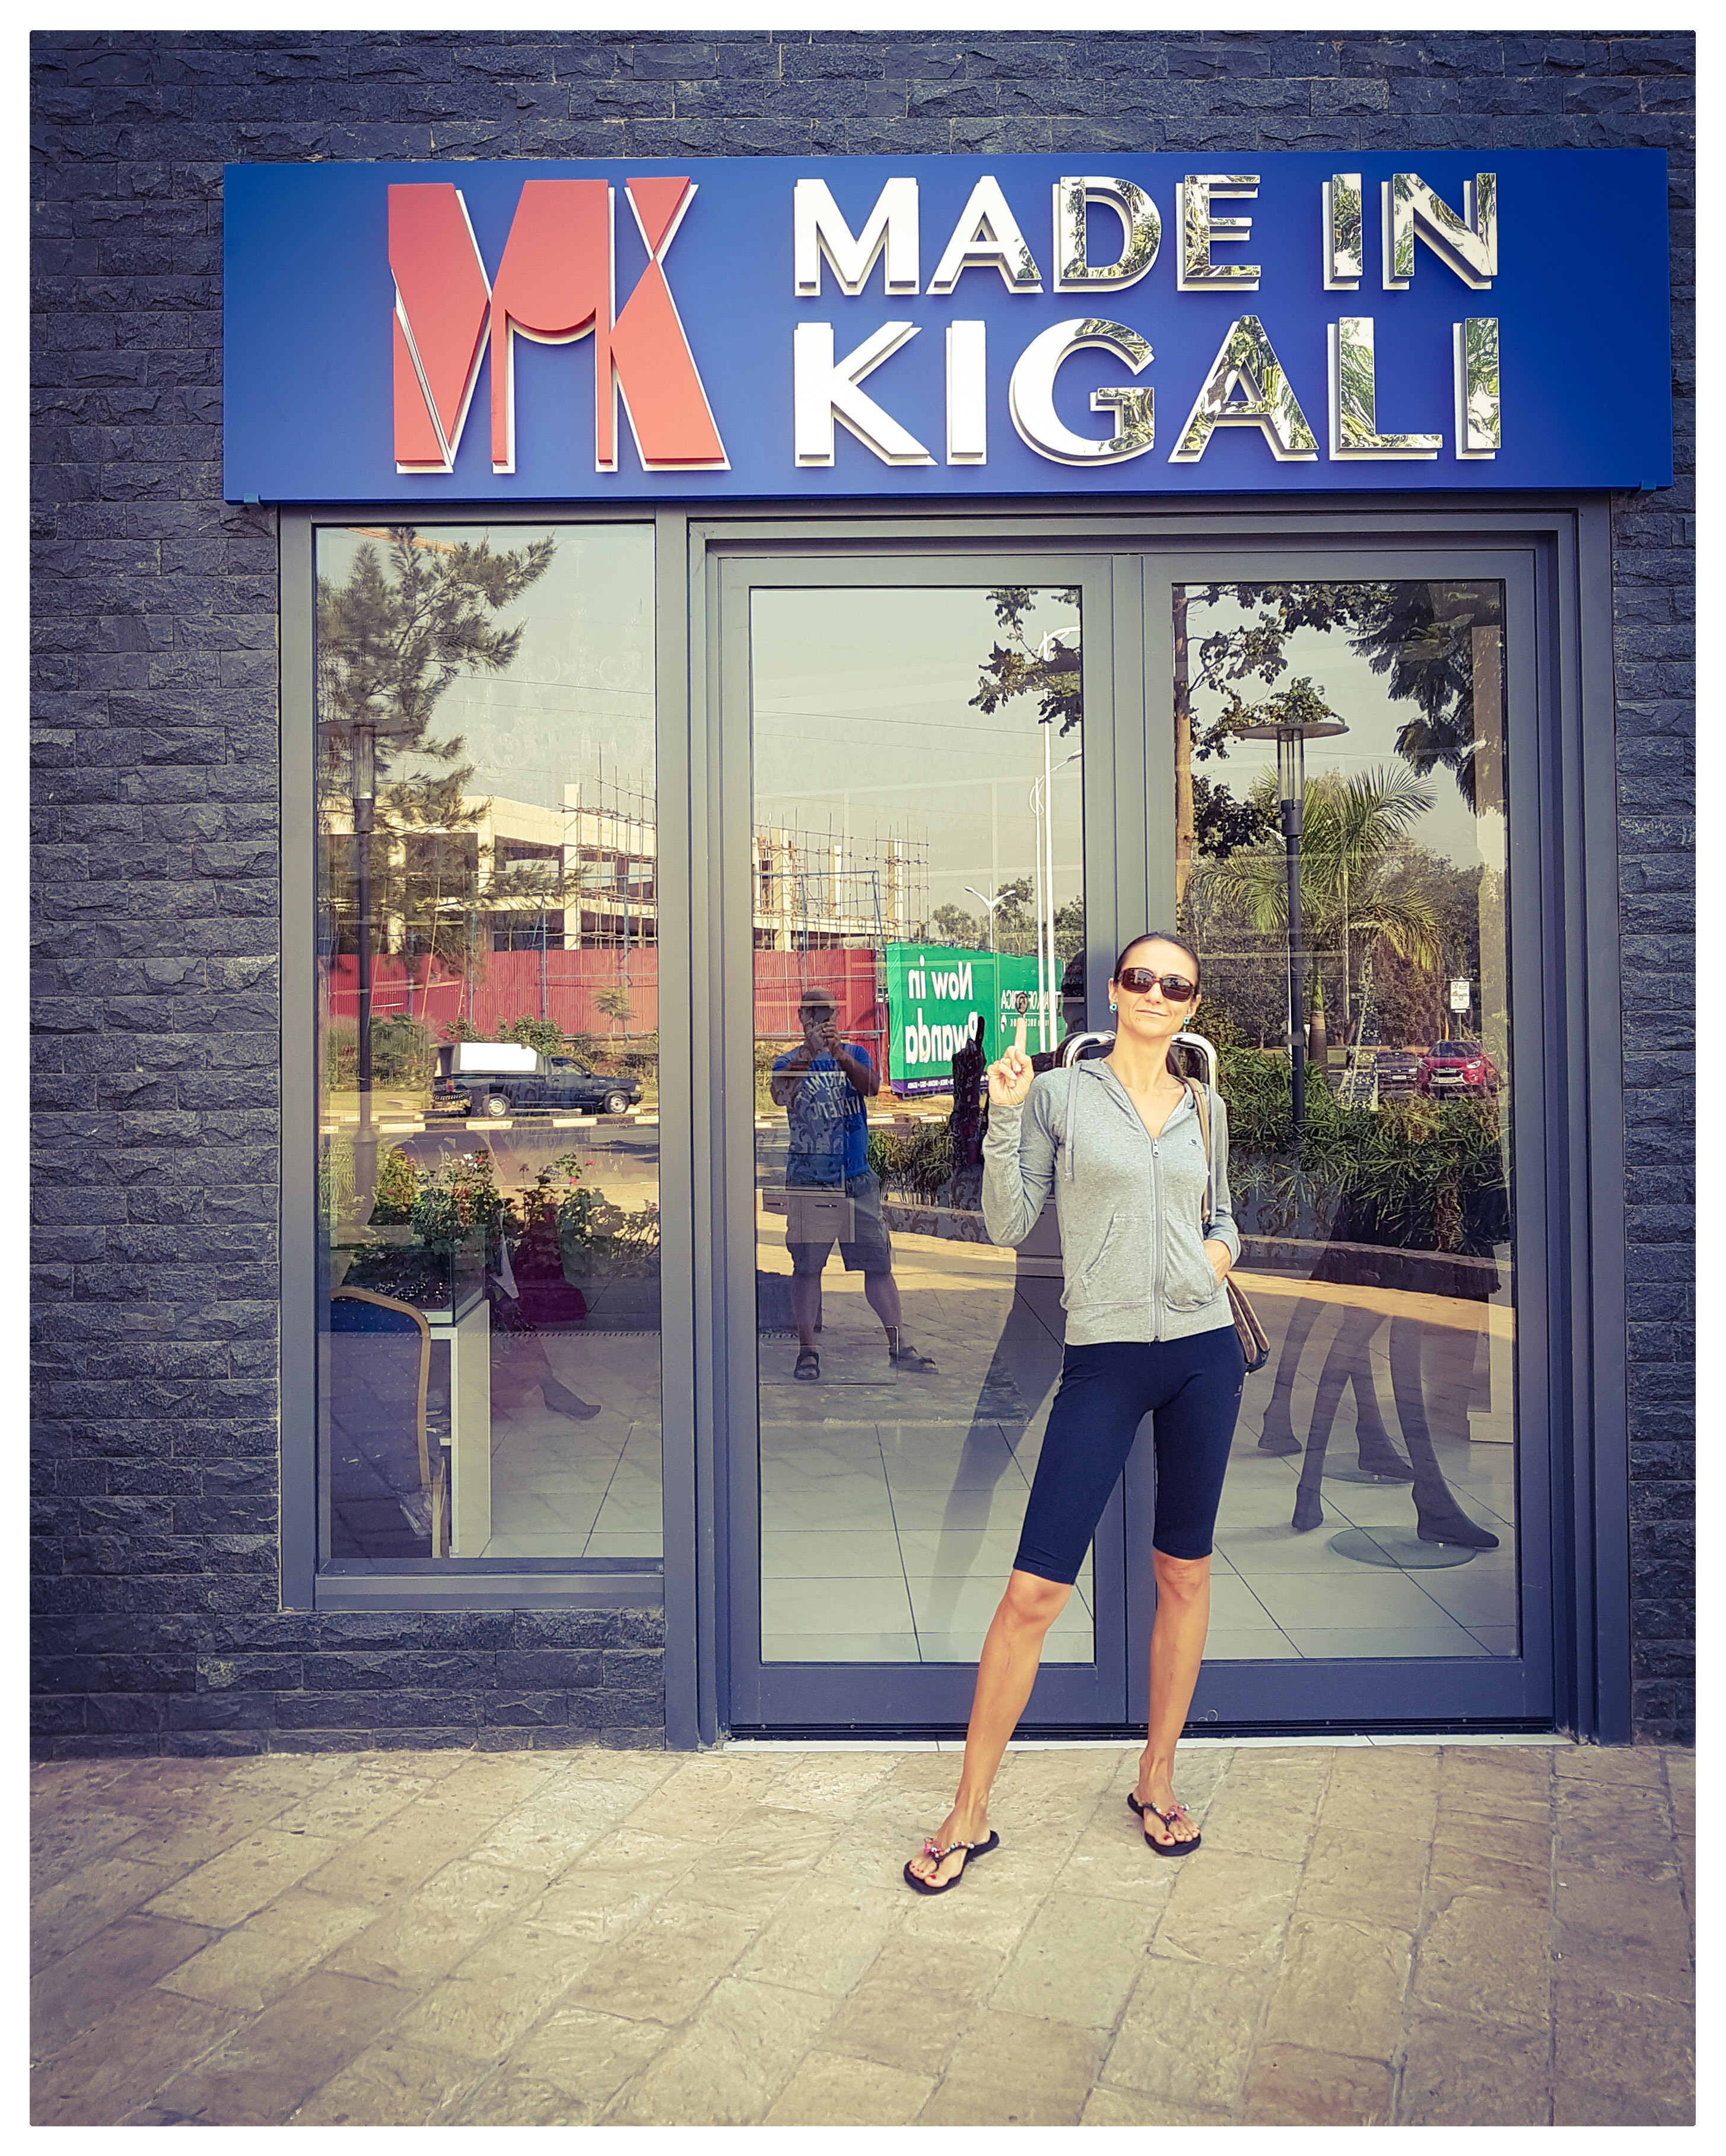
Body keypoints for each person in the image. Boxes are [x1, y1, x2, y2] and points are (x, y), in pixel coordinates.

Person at [904, 933, 1244, 1890]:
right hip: (1103, 1357)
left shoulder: (1205, 1105)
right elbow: (1007, 1221)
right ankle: (968, 1808)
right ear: (1114, 991)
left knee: (1183, 1570)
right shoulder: (1058, 1093)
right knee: (1033, 1592)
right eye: (1140, 977)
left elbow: (1225, 1217)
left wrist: (1210, 1262)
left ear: (1189, 1003)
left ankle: (1156, 1776)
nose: (1155, 992)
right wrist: (1004, 1114)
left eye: (1174, 983)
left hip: (1202, 1354)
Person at [770, 986, 937, 1381]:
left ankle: (898, 1345)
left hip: (856, 1178)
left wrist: (839, 1055)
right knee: (807, 1268)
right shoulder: (788, 1060)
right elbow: (779, 1095)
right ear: (801, 1017)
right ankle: (807, 1350)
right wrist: (809, 1054)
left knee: (877, 1266)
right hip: (810, 1182)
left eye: (828, 1013)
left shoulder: (855, 1054)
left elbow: (872, 1087)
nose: (822, 1020)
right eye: (814, 1013)